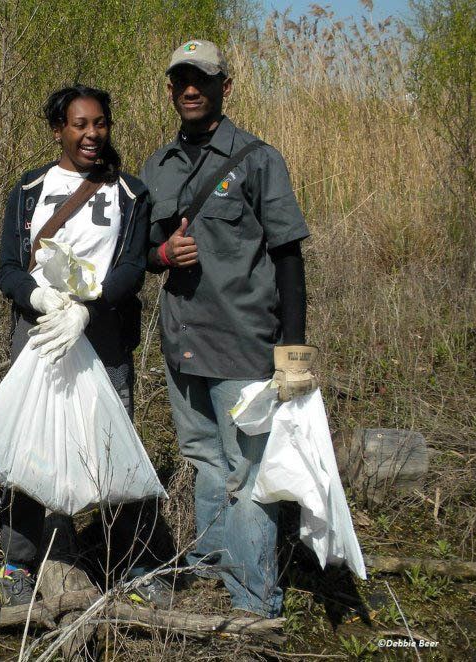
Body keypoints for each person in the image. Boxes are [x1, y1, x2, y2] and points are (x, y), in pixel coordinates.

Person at [141, 39, 317, 617]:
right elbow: (141, 252)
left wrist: (292, 346)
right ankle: (212, 569)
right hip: (182, 342)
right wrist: (164, 254)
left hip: (243, 341)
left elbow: (288, 255)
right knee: (201, 457)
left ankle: (252, 601)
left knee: (248, 470)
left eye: (204, 79)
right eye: (182, 80)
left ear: (225, 86)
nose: (192, 89)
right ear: (171, 89)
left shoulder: (259, 158)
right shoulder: (158, 166)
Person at [0, 85, 155, 606]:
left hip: (104, 337)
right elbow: (9, 268)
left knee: (113, 449)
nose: (91, 134)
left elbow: (132, 266)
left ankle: (124, 562)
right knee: (30, 448)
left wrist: (92, 305)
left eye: (100, 123)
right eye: (79, 124)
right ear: (59, 129)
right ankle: (18, 560)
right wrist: (40, 298)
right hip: (40, 337)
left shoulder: (131, 192)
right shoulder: (28, 188)